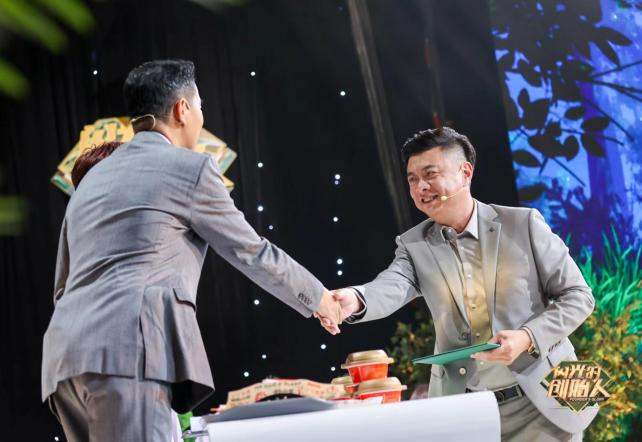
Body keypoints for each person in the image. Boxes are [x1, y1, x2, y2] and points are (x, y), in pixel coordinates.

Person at [42, 59, 342, 441]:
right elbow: (251, 251)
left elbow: (62, 286)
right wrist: (320, 299)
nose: (202, 116)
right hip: (130, 353)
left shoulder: (92, 178)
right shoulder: (190, 168)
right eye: (200, 105)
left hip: (64, 359)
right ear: (182, 109)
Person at [317, 127, 597, 441]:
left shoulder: (523, 223)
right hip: (471, 410)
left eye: (430, 174)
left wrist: (528, 337)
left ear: (465, 173)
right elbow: (390, 286)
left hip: (550, 394)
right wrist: (355, 298)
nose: (420, 187)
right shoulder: (414, 244)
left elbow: (579, 296)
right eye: (412, 179)